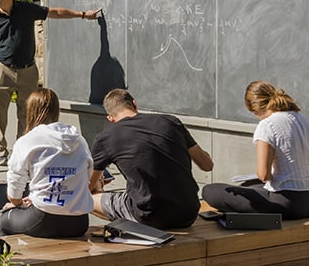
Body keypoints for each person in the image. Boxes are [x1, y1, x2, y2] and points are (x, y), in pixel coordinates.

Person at [0, 0, 102, 165]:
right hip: (3, 70)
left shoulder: (26, 10)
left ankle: (22, 150)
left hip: (28, 70)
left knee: (27, 112)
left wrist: (82, 15)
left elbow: (54, 12)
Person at [88, 88, 214, 229]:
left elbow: (88, 187)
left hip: (149, 215)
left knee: (84, 198)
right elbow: (207, 165)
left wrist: (98, 184)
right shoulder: (171, 122)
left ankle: (133, 231)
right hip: (188, 213)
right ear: (134, 104)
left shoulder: (106, 137)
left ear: (110, 119)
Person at [201, 81, 309, 219]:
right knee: (248, 185)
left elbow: (264, 175)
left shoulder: (267, 125)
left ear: (255, 109)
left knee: (211, 191)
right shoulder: (306, 120)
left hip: (288, 203)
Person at [0, 88, 94, 238]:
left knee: (5, 220)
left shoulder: (27, 141)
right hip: (79, 221)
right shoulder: (80, 140)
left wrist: (18, 204)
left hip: (43, 219)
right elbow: (87, 176)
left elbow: (14, 191)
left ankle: (6, 261)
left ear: (31, 110)